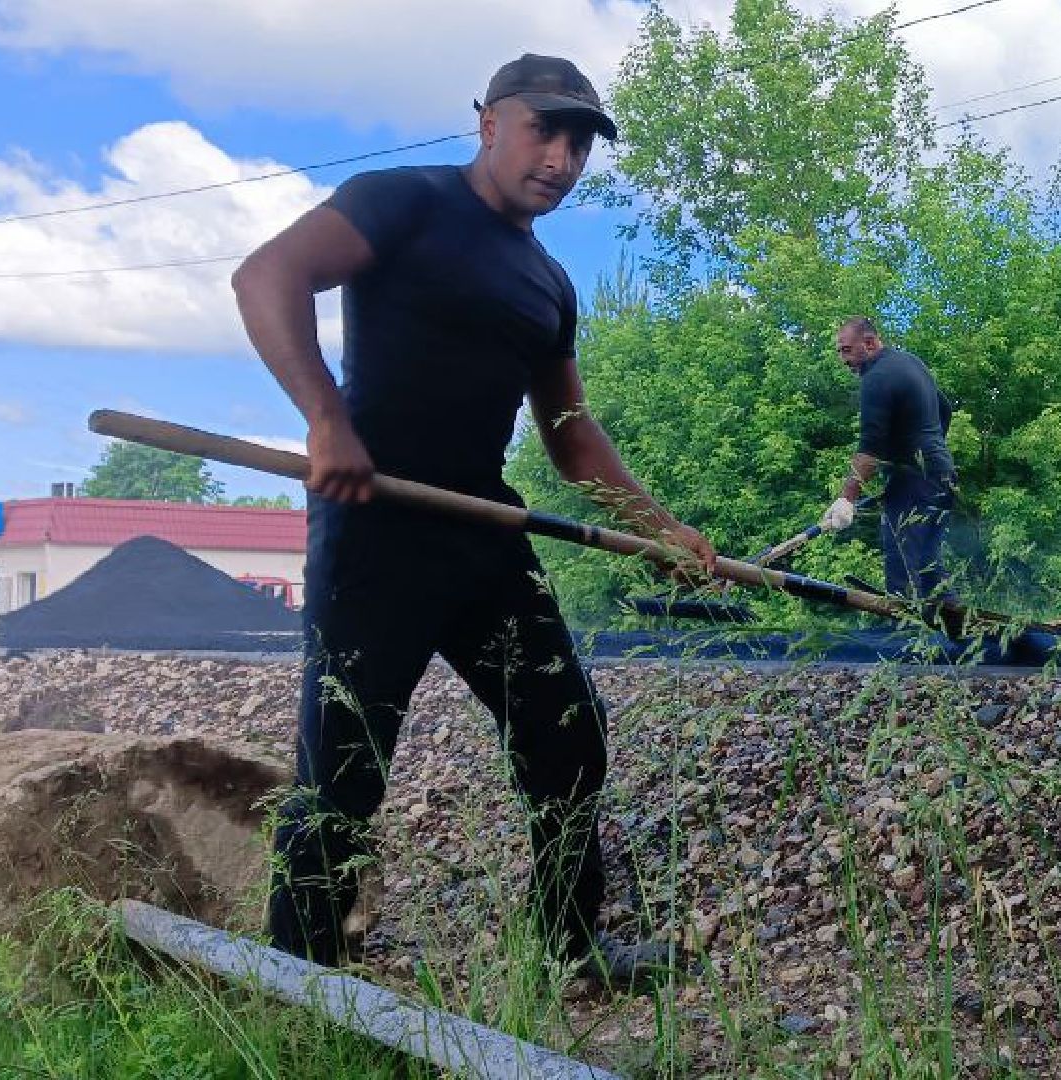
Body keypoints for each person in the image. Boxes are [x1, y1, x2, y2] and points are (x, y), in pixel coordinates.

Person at [231, 53, 714, 987]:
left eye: (581, 142)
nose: (564, 158)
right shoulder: (400, 202)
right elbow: (267, 278)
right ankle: (298, 984)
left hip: (484, 531)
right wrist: (327, 419)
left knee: (568, 735)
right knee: (344, 770)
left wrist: (659, 526)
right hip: (373, 523)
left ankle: (573, 948)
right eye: (547, 129)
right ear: (489, 121)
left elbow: (571, 438)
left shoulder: (548, 283)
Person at [821, 317, 958, 602]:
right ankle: (943, 629)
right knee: (924, 562)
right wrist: (929, 453)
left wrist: (847, 499)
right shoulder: (910, 362)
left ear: (869, 343)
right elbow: (944, 409)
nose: (843, 359)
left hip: (915, 482)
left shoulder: (877, 377)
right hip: (941, 476)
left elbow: (869, 449)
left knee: (907, 567)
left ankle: (908, 633)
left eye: (846, 350)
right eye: (839, 351)